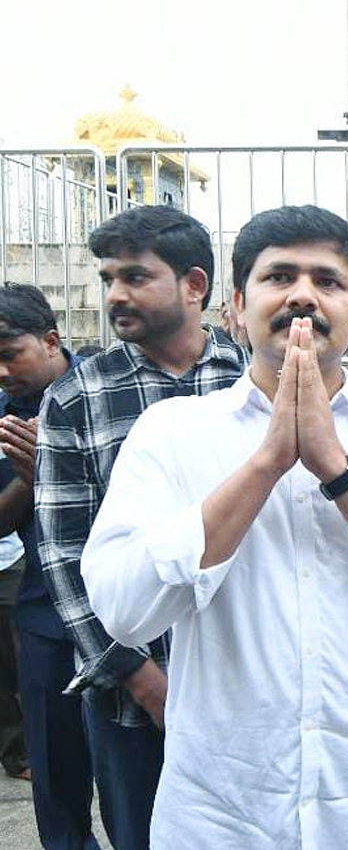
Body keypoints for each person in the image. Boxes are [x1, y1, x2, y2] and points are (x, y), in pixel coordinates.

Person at [80, 204, 348, 850]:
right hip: (222, 813)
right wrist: (268, 463)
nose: (302, 294)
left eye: (328, 281)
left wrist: (338, 473)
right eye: (279, 277)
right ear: (237, 307)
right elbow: (126, 611)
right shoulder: (173, 432)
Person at [36, 206, 248, 850]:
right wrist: (134, 672)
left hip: (249, 678)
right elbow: (65, 553)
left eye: (134, 276)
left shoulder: (250, 377)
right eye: (107, 278)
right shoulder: (77, 397)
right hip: (132, 697)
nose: (115, 295)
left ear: (195, 285)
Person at [0, 284, 100, 850]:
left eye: (10, 353)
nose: (1, 370)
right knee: (55, 766)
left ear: (51, 340)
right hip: (44, 614)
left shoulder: (102, 391)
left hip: (124, 609)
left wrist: (64, 468)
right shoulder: (4, 419)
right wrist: (33, 476)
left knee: (139, 763)